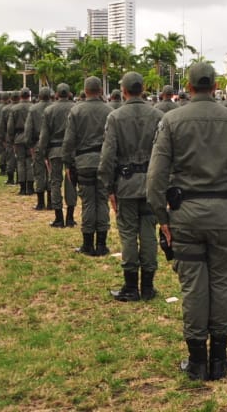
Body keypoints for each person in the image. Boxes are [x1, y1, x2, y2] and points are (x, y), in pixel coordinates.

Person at [147, 62, 227, 381]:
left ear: (189, 84)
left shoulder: (171, 120)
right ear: (214, 85)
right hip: (224, 214)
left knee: (193, 286)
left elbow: (155, 175)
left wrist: (162, 217)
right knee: (222, 285)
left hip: (185, 216)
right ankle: (220, 360)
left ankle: (197, 360)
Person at [99, 72, 164, 301]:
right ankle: (147, 286)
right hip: (151, 184)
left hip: (125, 185)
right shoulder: (158, 115)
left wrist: (108, 188)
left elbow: (108, 156)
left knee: (128, 233)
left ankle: (130, 287)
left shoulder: (115, 117)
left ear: (124, 91)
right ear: (143, 88)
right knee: (148, 233)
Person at [63, 77, 113, 256]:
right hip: (104, 162)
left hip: (83, 163)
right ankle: (102, 244)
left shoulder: (76, 111)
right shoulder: (110, 111)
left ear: (85, 90)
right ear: (100, 90)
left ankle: (87, 244)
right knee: (102, 202)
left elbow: (69, 141)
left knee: (88, 203)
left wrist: (68, 163)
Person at [37, 84, 77, 228]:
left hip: (54, 151)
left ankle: (59, 218)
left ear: (56, 95)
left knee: (55, 182)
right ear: (69, 94)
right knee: (71, 182)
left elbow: (44, 135)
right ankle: (70, 217)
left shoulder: (49, 110)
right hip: (72, 151)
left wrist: (42, 152)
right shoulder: (76, 108)